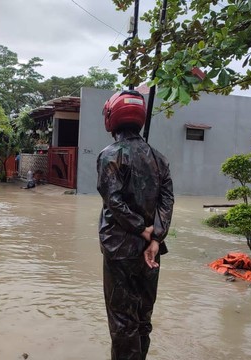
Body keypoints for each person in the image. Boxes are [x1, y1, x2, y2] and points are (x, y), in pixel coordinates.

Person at [96, 90, 174, 360]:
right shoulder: (159, 158)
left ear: (111, 118)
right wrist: (155, 238)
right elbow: (167, 201)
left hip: (120, 249)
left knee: (122, 321)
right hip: (151, 252)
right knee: (143, 317)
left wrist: (142, 228)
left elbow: (113, 201)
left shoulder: (110, 155)